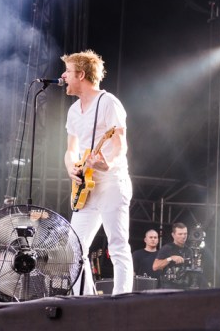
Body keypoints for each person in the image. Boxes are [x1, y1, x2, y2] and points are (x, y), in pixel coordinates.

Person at [62, 50, 133, 295]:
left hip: (111, 181)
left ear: (81, 75)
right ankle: (86, 302)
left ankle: (122, 302)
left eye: (68, 71)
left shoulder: (108, 102)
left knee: (117, 245)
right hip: (85, 188)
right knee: (73, 249)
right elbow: (71, 150)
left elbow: (120, 144)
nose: (63, 76)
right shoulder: (73, 110)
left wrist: (107, 164)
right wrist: (71, 167)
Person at [153, 223, 196, 289]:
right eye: (180, 234)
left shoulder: (189, 250)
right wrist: (170, 258)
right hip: (168, 288)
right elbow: (155, 266)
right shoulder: (167, 248)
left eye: (185, 234)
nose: (183, 236)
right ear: (173, 235)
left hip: (184, 288)